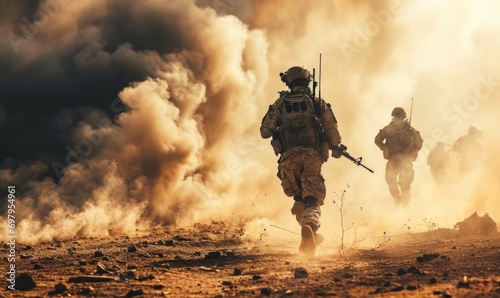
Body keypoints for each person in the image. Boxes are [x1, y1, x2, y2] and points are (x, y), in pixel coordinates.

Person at [260, 66, 342, 257]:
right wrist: (334, 144)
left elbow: (265, 131)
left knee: (299, 199)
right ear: (307, 81)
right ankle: (310, 227)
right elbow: (333, 131)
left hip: (288, 159)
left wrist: (280, 129)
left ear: (288, 81)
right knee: (312, 200)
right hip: (311, 156)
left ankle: (310, 232)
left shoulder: (280, 103)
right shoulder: (315, 102)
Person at [374, 107, 423, 206]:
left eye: (397, 117)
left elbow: (377, 140)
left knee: (400, 183)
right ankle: (399, 200)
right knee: (396, 181)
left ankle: (402, 203)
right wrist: (385, 148)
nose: (397, 119)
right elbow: (419, 143)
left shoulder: (392, 129)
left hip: (401, 159)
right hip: (399, 159)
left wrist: (385, 148)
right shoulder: (408, 130)